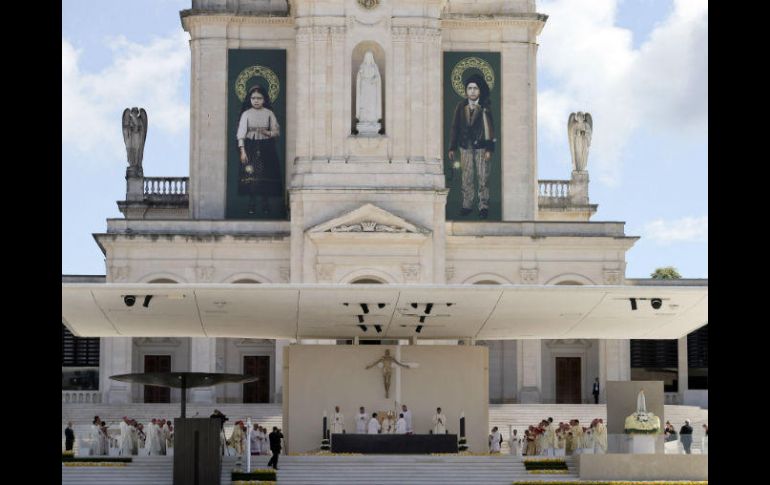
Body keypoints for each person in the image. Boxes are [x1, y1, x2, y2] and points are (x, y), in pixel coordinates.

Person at [448, 74, 496, 219]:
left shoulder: (485, 107)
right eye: (470, 88)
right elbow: (455, 127)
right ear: (466, 91)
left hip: (481, 148)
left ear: (479, 91)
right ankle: (467, 205)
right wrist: (452, 147)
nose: (473, 91)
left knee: (483, 177)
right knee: (466, 177)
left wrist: (489, 149)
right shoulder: (460, 106)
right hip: (465, 147)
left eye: (475, 88)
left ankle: (483, 206)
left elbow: (489, 129)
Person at [236, 84, 282, 215]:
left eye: (259, 98)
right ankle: (251, 203)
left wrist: (268, 133)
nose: (256, 100)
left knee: (265, 174)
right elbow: (241, 132)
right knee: (251, 174)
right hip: (250, 146)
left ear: (264, 99)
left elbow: (276, 131)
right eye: (253, 98)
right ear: (249, 99)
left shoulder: (269, 113)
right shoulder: (246, 114)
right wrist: (242, 150)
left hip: (266, 146)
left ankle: (265, 203)